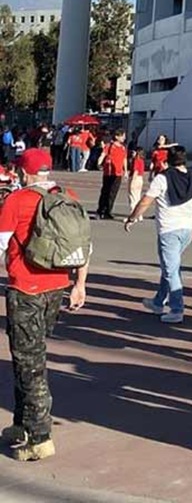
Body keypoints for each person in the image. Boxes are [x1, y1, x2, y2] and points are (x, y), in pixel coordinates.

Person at [0, 148, 90, 461]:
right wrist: (79, 284)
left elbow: (0, 243)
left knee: (29, 362)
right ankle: (22, 424)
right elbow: (84, 244)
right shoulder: (67, 194)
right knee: (28, 355)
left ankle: (39, 436)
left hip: (25, 288)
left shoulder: (16, 200)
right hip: (57, 287)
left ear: (24, 172)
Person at [125, 145, 192, 324]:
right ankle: (158, 301)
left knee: (171, 270)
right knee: (170, 266)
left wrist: (132, 217)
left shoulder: (162, 178)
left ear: (167, 160)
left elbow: (146, 201)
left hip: (169, 229)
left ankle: (177, 309)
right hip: (187, 228)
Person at [95, 129, 127, 221]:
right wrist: (99, 163)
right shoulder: (109, 146)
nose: (124, 138)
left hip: (118, 172)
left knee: (113, 193)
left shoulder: (123, 147)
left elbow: (124, 159)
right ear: (117, 136)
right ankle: (100, 210)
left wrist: (125, 171)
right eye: (122, 136)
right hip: (108, 172)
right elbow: (103, 154)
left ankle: (109, 211)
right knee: (105, 191)